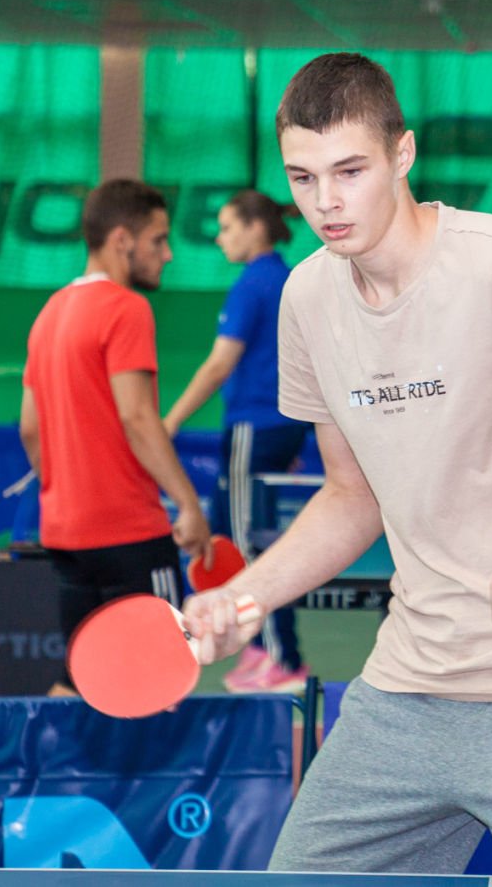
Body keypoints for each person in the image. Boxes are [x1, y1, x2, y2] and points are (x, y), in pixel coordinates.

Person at [186, 53, 492, 886]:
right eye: (303, 178)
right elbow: (350, 495)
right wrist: (244, 598)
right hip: (407, 695)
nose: (326, 201)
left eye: (350, 171)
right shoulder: (306, 299)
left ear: (403, 154)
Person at [20, 177, 213, 699]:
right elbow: (138, 418)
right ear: (122, 239)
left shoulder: (48, 314)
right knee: (160, 681)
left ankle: (56, 755)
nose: (167, 255)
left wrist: (70, 487)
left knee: (81, 678)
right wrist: (188, 505)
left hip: (65, 536)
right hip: (129, 535)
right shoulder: (127, 308)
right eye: (158, 240)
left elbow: (30, 429)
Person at [163, 191, 311, 694]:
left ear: (255, 228)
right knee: (231, 534)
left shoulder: (254, 284)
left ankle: (282, 659)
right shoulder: (285, 278)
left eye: (227, 228)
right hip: (279, 427)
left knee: (248, 544)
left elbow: (219, 365)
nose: (219, 238)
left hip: (256, 426)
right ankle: (258, 646)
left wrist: (170, 421)